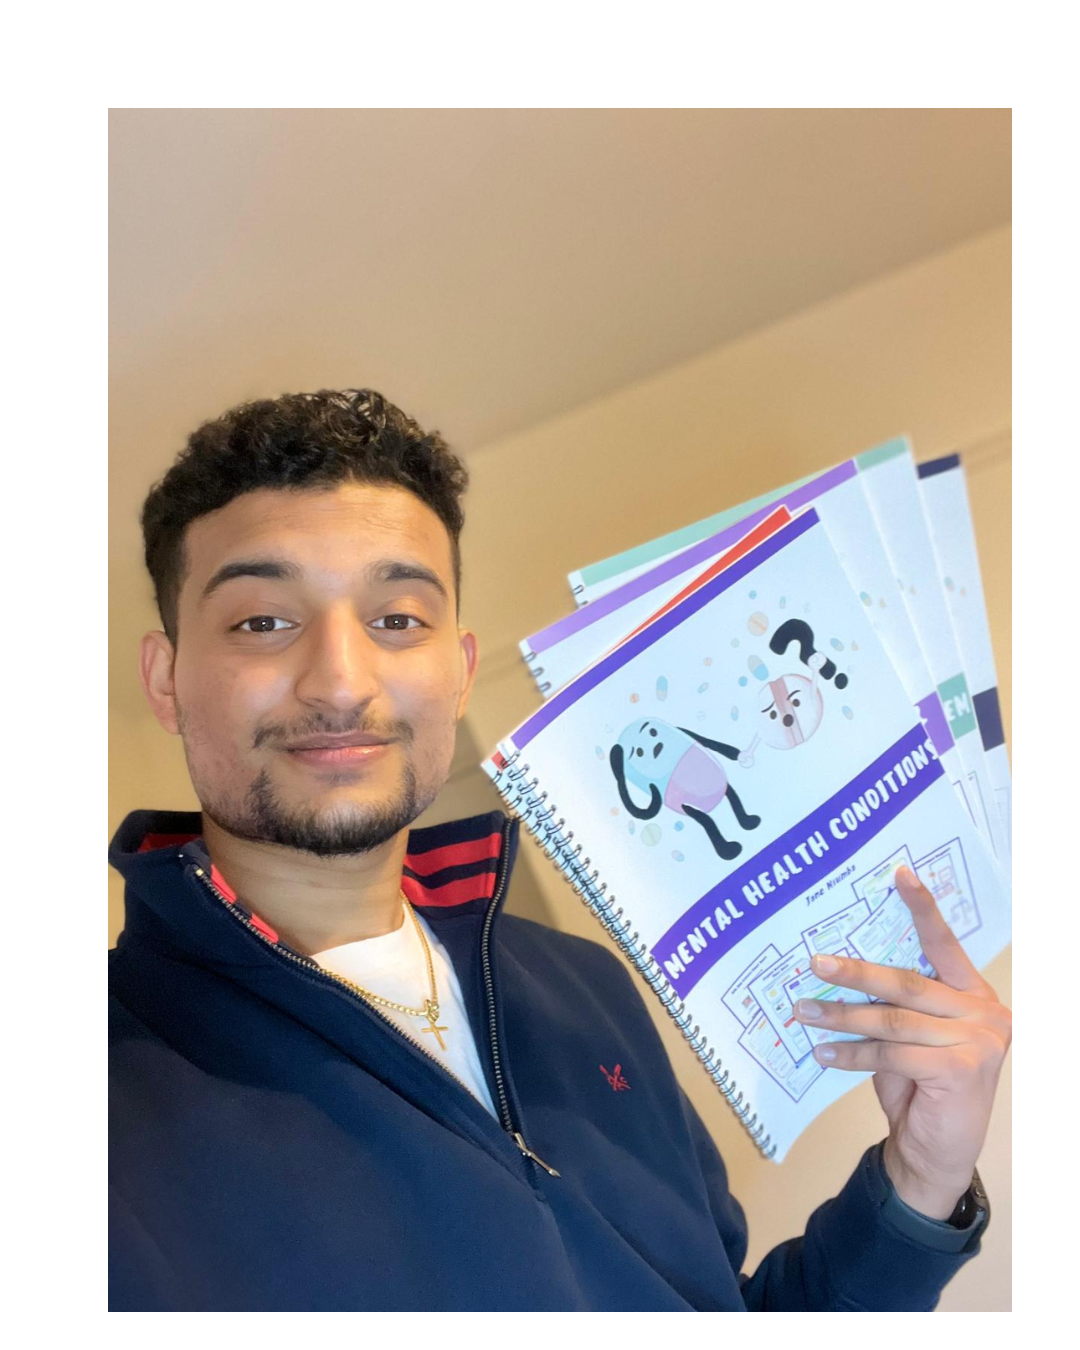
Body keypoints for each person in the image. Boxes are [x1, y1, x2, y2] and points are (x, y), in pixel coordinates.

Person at [109, 388, 1011, 1312]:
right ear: (167, 679)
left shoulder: (584, 988)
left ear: (458, 673)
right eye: (264, 621)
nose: (340, 680)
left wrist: (917, 1182)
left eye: (397, 620)